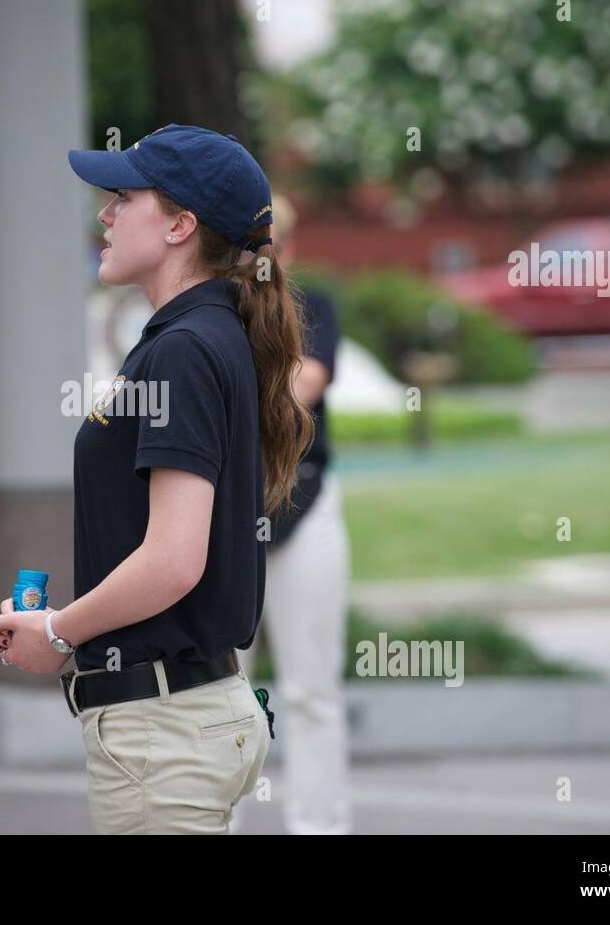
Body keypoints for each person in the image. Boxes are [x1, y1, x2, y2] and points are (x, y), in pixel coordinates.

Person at [0, 124, 313, 834]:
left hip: (163, 732)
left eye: (122, 196)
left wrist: (58, 630)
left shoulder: (185, 350)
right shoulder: (209, 333)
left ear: (179, 224)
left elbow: (173, 559)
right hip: (189, 719)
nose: (104, 214)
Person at [232, 194, 354, 835]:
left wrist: (229, 389)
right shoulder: (221, 310)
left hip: (304, 504)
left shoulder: (316, 304)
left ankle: (320, 827)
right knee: (228, 698)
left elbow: (306, 383)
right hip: (228, 515)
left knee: (312, 692)